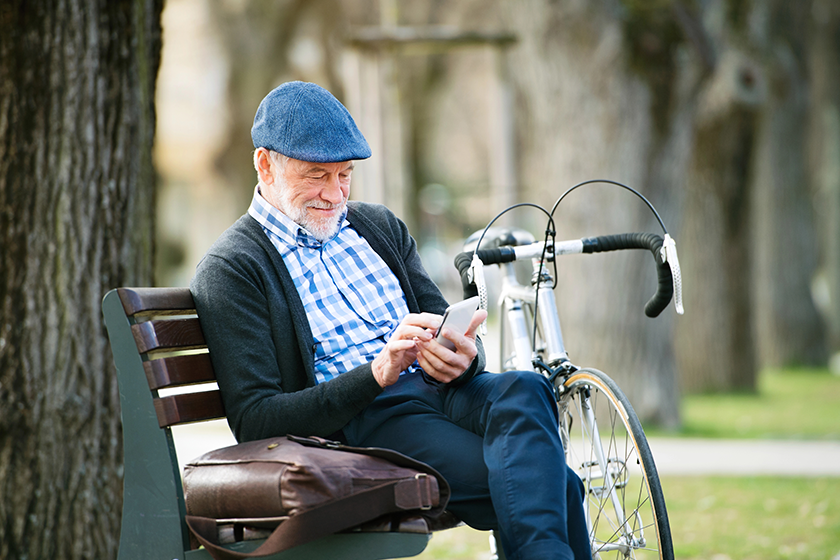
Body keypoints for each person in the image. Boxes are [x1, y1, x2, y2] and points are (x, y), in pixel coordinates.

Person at [190, 81, 590, 560]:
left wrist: (464, 357)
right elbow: (257, 420)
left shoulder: (378, 226)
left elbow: (442, 321)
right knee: (555, 483)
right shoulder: (233, 268)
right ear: (265, 165)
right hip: (370, 418)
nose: (334, 194)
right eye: (317, 175)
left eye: (345, 175)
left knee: (527, 387)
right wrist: (377, 373)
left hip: (444, 391)